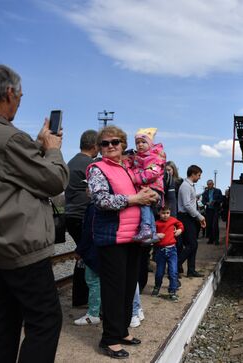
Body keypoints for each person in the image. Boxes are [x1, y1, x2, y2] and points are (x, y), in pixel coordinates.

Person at [0, 64, 69, 363]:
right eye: (19, 96)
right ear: (9, 93)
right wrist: (53, 149)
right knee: (45, 321)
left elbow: (8, 172)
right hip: (22, 246)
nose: (19, 102)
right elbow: (54, 180)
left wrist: (34, 145)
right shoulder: (7, 137)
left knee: (4, 321)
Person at [86, 125, 158, 359]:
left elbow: (139, 192)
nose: (110, 147)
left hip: (132, 238)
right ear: (99, 147)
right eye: (105, 143)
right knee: (114, 290)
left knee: (128, 287)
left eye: (115, 142)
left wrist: (150, 196)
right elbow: (101, 200)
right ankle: (109, 339)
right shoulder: (97, 169)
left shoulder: (126, 168)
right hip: (113, 238)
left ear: (122, 144)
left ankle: (122, 330)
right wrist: (134, 198)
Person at [65, 129, 98, 306]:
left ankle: (80, 297)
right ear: (94, 146)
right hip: (82, 215)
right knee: (87, 256)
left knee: (82, 254)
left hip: (70, 213)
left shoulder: (71, 161)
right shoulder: (90, 164)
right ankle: (81, 297)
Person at [128, 127, 166, 243]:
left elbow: (152, 173)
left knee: (144, 204)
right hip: (151, 187)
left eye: (143, 142)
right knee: (148, 208)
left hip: (154, 187)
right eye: (137, 143)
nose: (140, 145)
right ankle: (153, 233)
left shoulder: (154, 157)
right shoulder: (141, 157)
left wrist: (135, 178)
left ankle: (145, 228)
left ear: (150, 143)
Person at [73, 197, 101, 326]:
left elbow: (88, 231)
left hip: (93, 250)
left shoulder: (93, 206)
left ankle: (93, 313)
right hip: (104, 247)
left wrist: (80, 250)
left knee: (93, 280)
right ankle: (100, 310)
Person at [177, 165, 206, 278]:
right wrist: (200, 217)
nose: (199, 177)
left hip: (189, 217)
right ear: (193, 174)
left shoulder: (189, 186)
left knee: (193, 244)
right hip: (185, 217)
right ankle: (175, 266)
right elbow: (187, 205)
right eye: (198, 175)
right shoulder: (185, 186)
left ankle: (191, 270)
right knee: (192, 244)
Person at [152, 205, 183, 301]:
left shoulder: (173, 220)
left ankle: (172, 291)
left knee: (173, 271)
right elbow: (150, 233)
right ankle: (157, 287)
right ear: (159, 213)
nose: (165, 215)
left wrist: (179, 230)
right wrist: (156, 235)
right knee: (159, 272)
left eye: (167, 213)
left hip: (172, 250)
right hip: (160, 251)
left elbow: (180, 224)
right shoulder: (156, 223)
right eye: (163, 213)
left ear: (170, 213)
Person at [202, 179, 223, 245]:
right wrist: (207, 203)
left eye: (210, 184)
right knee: (209, 225)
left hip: (216, 210)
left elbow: (221, 199)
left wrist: (215, 201)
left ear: (213, 184)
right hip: (209, 210)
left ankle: (216, 240)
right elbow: (203, 201)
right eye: (208, 184)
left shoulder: (218, 191)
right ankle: (211, 239)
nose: (209, 185)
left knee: (215, 225)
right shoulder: (205, 192)